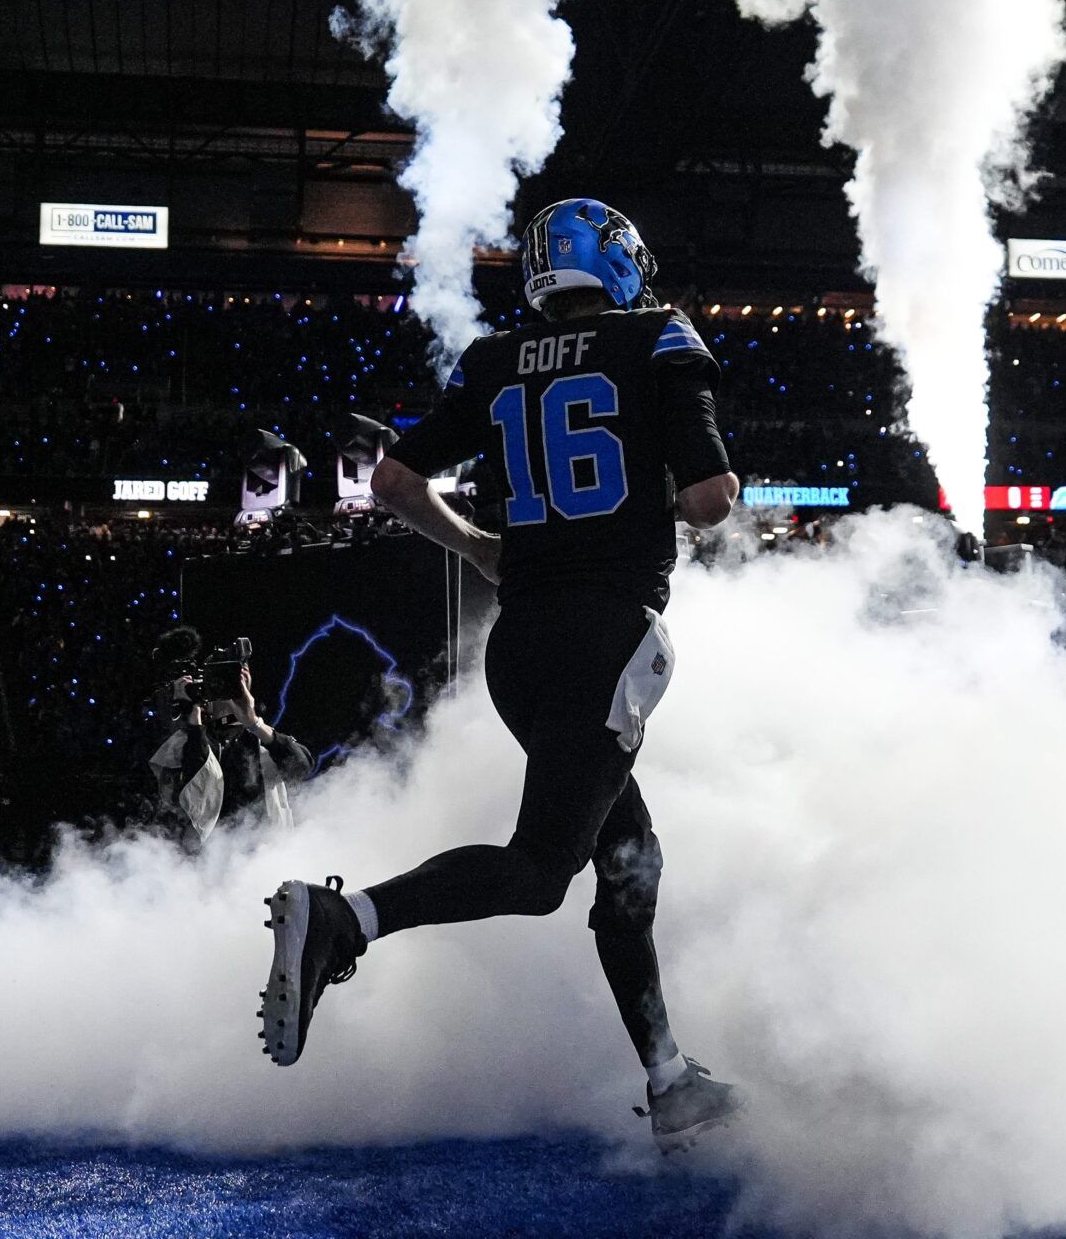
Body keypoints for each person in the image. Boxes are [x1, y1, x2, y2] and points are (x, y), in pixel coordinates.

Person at [255, 199, 745, 1150]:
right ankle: (345, 919)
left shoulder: (495, 359)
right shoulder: (659, 336)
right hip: (609, 637)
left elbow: (393, 481)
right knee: (538, 873)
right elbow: (710, 498)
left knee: (628, 857)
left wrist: (479, 546)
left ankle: (670, 1078)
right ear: (618, 263)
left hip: (519, 645)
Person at [147, 629, 311, 844]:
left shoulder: (263, 738)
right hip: (208, 860)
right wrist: (193, 714)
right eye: (219, 677)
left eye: (238, 675)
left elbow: (302, 768)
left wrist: (253, 723)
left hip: (266, 857)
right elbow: (193, 790)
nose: (229, 683)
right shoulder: (187, 740)